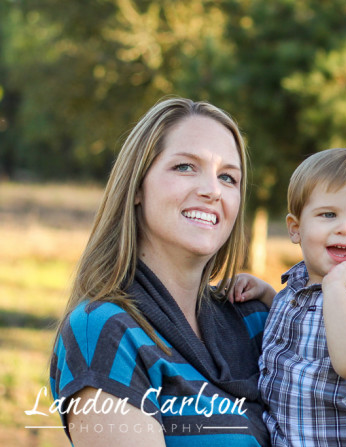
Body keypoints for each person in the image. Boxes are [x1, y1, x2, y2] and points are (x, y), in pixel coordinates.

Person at [50, 97, 270, 446]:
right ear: (137, 186)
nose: (212, 190)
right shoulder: (106, 331)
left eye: (229, 177)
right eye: (185, 167)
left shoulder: (256, 320)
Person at [233, 148, 346, 446]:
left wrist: (336, 289)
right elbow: (306, 325)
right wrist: (269, 295)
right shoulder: (294, 290)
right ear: (296, 229)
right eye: (328, 214)